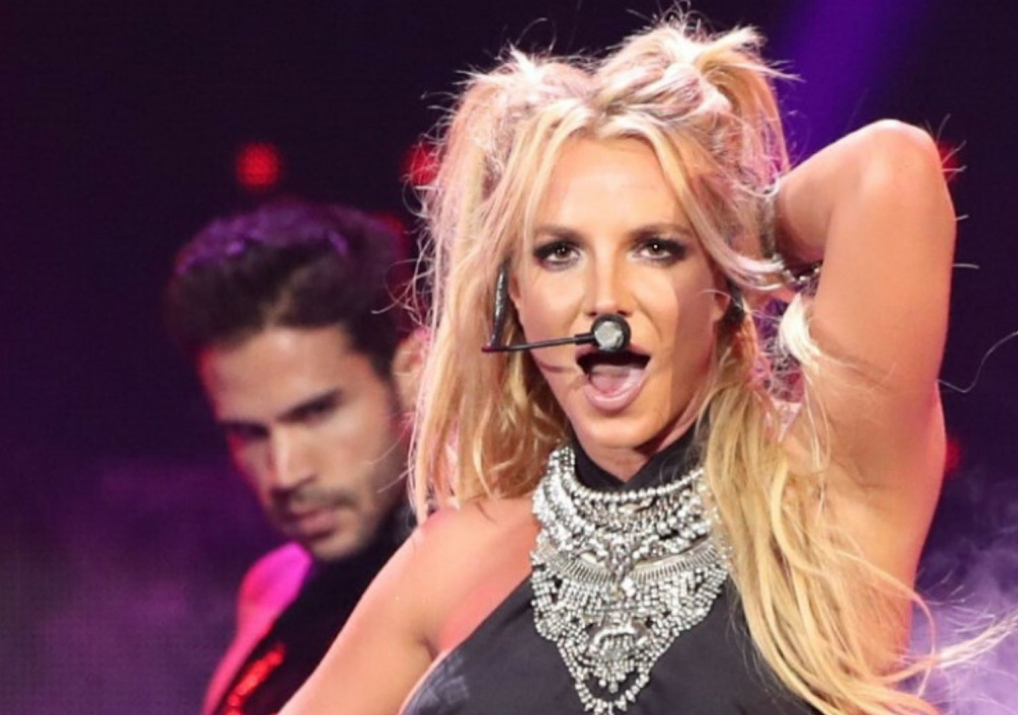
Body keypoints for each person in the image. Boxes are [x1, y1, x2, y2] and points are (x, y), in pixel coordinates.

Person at [286, 19, 960, 715]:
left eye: (656, 247)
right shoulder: (454, 558)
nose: (605, 298)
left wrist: (728, 237)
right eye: (559, 253)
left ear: (718, 284)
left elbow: (890, 170)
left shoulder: (823, 494)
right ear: (516, 299)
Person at [164, 200, 422, 715]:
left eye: (315, 413)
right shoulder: (273, 588)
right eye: (248, 433)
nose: (284, 473)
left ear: (412, 375)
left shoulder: (480, 581)